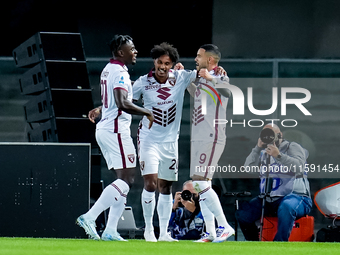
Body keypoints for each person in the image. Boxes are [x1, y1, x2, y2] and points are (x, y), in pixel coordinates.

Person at [76, 35, 154, 241]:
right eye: (132, 48)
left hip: (107, 128)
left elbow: (114, 100)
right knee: (127, 180)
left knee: (122, 181)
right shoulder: (119, 71)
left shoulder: (109, 69)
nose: (135, 51)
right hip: (116, 131)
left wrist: (101, 108)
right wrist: (146, 112)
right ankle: (90, 217)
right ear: (121, 52)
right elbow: (121, 103)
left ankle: (110, 230)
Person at [133, 42, 197, 242]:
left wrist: (216, 69)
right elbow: (124, 100)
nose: (162, 66)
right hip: (148, 139)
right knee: (150, 184)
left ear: (172, 64)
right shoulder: (142, 82)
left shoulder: (180, 77)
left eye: (166, 63)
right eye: (159, 62)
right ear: (154, 61)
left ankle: (164, 234)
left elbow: (201, 76)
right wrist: (102, 109)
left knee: (166, 187)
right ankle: (149, 230)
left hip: (170, 142)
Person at [189, 44, 235, 243]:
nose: (195, 59)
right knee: (202, 185)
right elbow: (197, 96)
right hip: (198, 136)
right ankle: (211, 232)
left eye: (199, 56)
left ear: (210, 60)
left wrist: (211, 78)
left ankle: (224, 225)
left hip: (212, 135)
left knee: (199, 182)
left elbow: (229, 93)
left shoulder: (221, 77)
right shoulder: (201, 79)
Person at [235, 123, 312, 241]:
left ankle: (279, 244)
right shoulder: (264, 153)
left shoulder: (292, 147)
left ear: (279, 135)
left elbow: (300, 167)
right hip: (270, 199)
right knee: (243, 213)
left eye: (270, 134)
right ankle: (254, 243)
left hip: (296, 197)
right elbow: (248, 168)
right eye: (264, 134)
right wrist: (257, 148)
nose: (267, 137)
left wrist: (279, 155)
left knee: (287, 206)